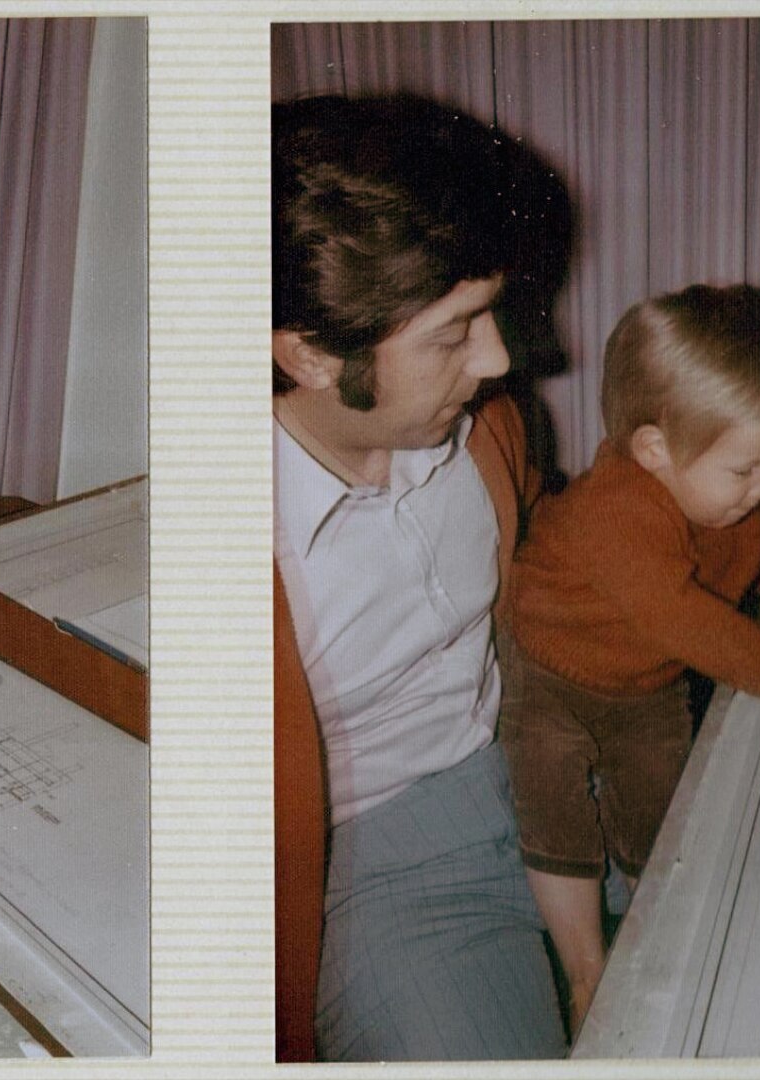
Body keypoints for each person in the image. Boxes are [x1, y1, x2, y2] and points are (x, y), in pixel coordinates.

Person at [503, 283, 760, 1029]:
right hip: (551, 665)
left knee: (662, 817)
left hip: (647, 680)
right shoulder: (615, 508)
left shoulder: (734, 502)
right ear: (654, 450)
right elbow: (683, 616)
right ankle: (584, 968)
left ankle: (652, 934)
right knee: (554, 807)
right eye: (748, 470)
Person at [272, 94, 566, 1062]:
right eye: (455, 332)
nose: (499, 358)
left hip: (546, 757)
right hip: (375, 854)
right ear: (311, 355)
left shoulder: (487, 431)